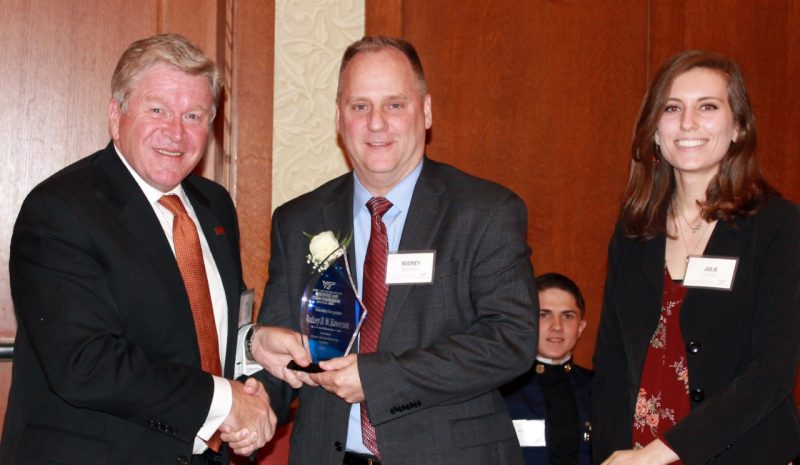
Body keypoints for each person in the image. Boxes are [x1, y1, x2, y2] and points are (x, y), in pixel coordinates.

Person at [0, 33, 306, 464]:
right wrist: (225, 401)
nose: (176, 132)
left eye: (194, 115)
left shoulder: (214, 205)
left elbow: (187, 332)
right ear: (116, 115)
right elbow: (85, 364)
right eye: (158, 109)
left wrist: (252, 344)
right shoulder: (61, 209)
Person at [246, 36, 539, 465]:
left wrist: (379, 378)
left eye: (395, 105)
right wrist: (255, 399)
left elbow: (510, 341)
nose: (376, 123)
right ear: (339, 118)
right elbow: (283, 344)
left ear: (427, 112)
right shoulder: (298, 220)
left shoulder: (486, 211)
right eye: (359, 106)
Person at [592, 50, 800, 465]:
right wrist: (614, 455)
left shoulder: (778, 225)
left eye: (708, 106)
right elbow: (612, 360)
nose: (688, 123)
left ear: (738, 126)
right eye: (672, 108)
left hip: (740, 452)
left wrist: (662, 453)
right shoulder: (635, 230)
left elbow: (772, 371)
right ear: (654, 131)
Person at [503, 272, 593, 465]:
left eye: (568, 316)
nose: (557, 327)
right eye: (544, 315)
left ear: (580, 328)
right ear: (527, 323)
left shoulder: (599, 388)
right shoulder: (502, 390)